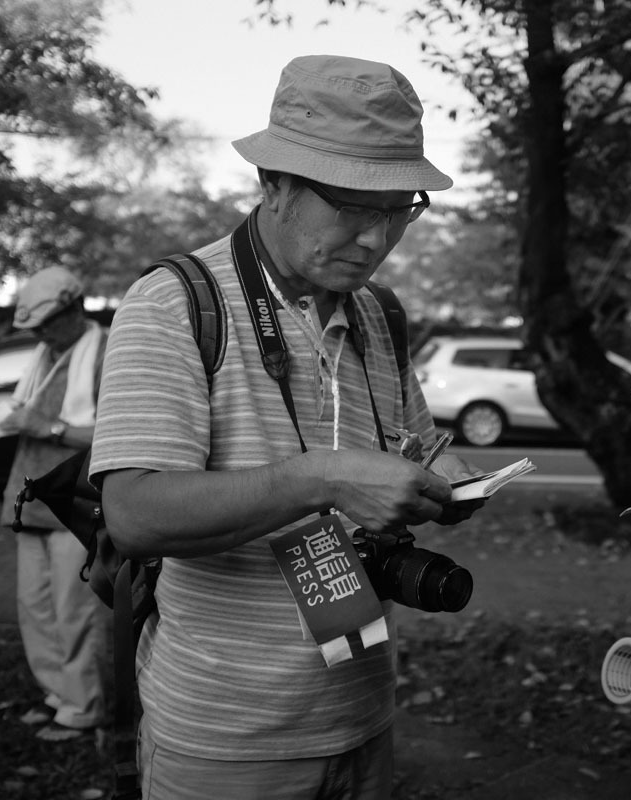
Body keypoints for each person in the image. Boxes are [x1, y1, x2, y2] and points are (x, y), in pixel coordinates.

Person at [89, 55, 485, 799]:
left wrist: (449, 484)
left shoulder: (380, 314)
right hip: (225, 738)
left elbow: (420, 447)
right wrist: (323, 478)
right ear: (273, 185)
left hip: (364, 712)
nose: (376, 239)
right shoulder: (173, 304)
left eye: (399, 208)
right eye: (352, 208)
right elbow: (134, 514)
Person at [0, 266, 112, 742]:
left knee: (73, 612)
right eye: (35, 327)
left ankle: (86, 709)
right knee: (36, 610)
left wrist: (49, 428)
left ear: (74, 308)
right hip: (31, 501)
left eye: (46, 323)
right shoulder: (47, 353)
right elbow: (30, 410)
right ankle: (59, 697)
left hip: (75, 505)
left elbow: (113, 433)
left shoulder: (105, 351)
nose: (39, 334)